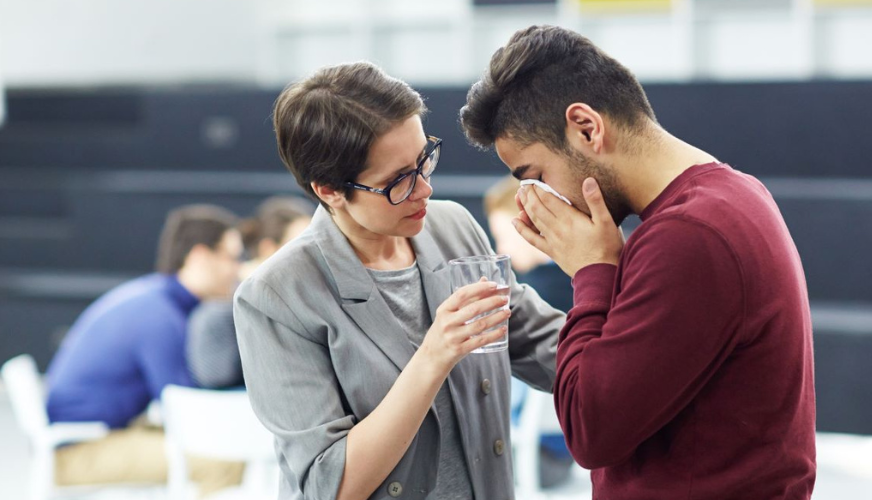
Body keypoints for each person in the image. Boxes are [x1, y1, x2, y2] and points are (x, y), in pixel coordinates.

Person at [460, 25, 817, 499]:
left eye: (537, 176)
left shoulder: (687, 235)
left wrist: (591, 272)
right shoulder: (732, 194)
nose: (537, 199)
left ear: (586, 128)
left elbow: (590, 431)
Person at [234, 61, 564, 500]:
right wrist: (433, 357)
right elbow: (329, 486)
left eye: (424, 159)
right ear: (329, 190)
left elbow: (542, 342)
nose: (424, 188)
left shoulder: (452, 228)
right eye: (397, 181)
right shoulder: (278, 296)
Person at [44, 204, 245, 493]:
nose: (237, 270)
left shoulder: (157, 297)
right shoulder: (160, 315)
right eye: (232, 258)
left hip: (97, 435)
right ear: (200, 256)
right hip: (78, 450)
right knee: (225, 462)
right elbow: (186, 407)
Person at [483, 175, 574, 489]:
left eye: (503, 236)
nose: (501, 249)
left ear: (532, 226)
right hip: (576, 453)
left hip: (534, 457)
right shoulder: (589, 282)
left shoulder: (527, 303)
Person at [187, 195, 314, 389]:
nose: (311, 256)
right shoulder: (220, 312)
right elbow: (217, 378)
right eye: (300, 246)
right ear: (268, 248)